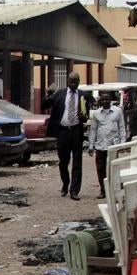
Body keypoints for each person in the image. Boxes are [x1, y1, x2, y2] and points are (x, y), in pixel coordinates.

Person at [47, 72, 90, 200]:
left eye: (76, 81)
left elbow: (86, 115)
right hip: (63, 131)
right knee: (63, 161)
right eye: (71, 81)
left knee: (77, 161)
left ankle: (74, 191)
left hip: (76, 131)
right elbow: (44, 105)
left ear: (79, 82)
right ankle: (65, 183)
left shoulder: (84, 95)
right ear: (67, 81)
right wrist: (48, 94)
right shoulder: (59, 94)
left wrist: (84, 117)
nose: (74, 84)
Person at [88, 91, 126, 199]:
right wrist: (91, 146)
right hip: (100, 146)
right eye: (103, 99)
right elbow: (93, 130)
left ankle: (114, 190)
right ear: (100, 101)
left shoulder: (117, 111)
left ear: (111, 101)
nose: (105, 101)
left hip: (113, 145)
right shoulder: (96, 114)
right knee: (100, 169)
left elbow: (122, 128)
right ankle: (103, 190)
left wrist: (122, 144)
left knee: (113, 168)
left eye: (107, 99)